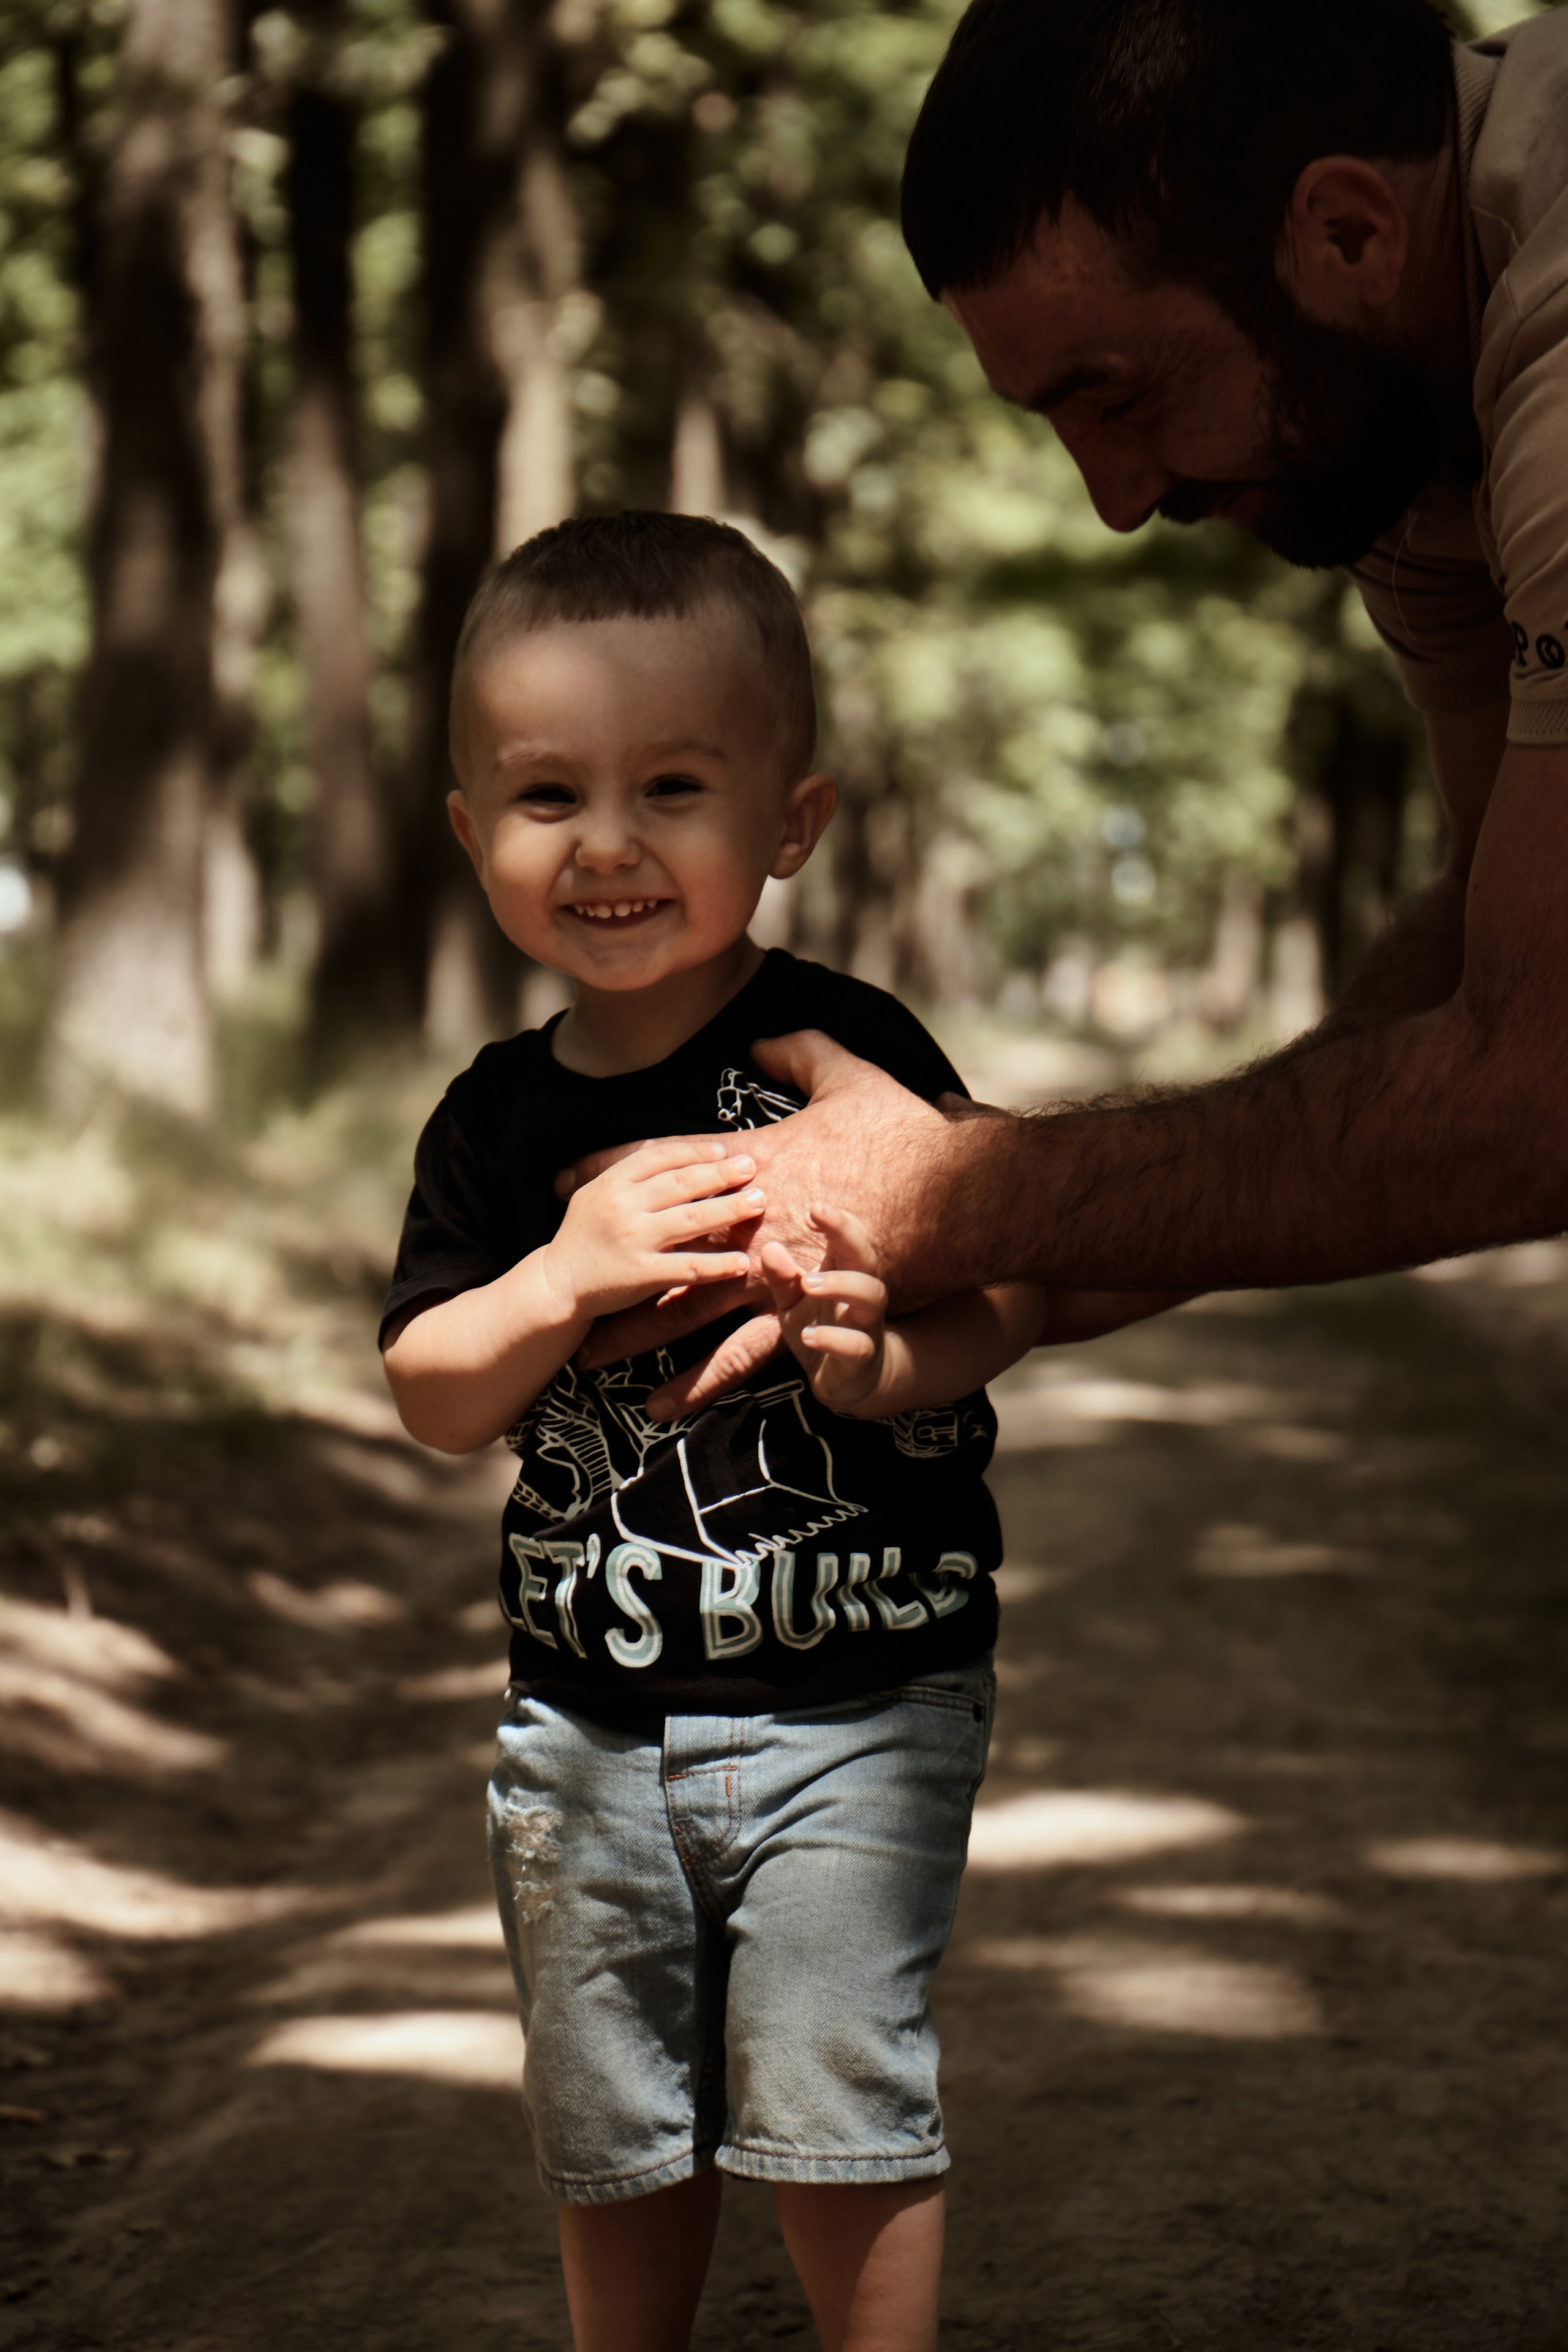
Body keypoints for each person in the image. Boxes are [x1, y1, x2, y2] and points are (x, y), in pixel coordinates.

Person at [562, 0, 1568, 1418]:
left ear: (1345, 232)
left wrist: (968, 1201)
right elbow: (1497, 941)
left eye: (1117, 394)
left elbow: (1537, 1089)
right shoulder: (1387, 403)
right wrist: (1017, 1236)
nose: (1116, 501)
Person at [379, 511, 1132, 2352]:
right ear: (474, 833)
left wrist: (894, 1364)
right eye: (549, 794)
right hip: (585, 1728)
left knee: (832, 2091)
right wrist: (561, 1280)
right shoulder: (491, 1126)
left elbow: (1010, 1292)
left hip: (864, 1702)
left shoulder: (847, 1059)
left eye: (674, 787)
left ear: (788, 823)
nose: (610, 842)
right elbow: (430, 1391)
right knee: (614, 2118)